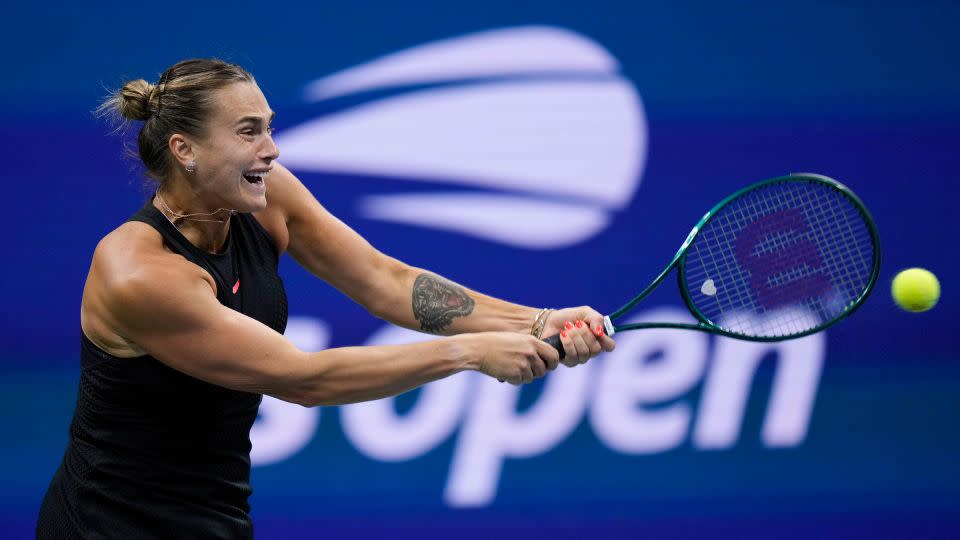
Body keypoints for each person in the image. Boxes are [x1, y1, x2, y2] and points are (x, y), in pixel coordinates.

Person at [36, 58, 615, 539]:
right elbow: (303, 379)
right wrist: (471, 353)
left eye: (269, 126)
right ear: (185, 150)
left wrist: (537, 320)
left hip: (215, 515)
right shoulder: (140, 273)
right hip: (108, 524)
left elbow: (385, 281)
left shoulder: (264, 200)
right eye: (248, 132)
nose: (272, 150)